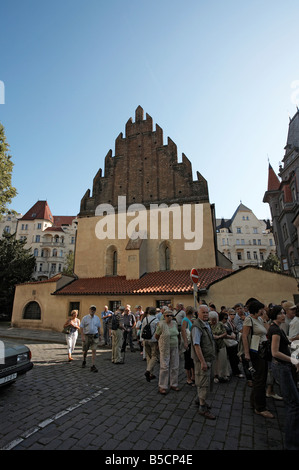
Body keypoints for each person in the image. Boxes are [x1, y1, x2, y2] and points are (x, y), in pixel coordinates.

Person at [268, 305, 299, 450]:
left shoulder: (278, 328)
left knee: (292, 402)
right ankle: (291, 443)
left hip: (284, 367)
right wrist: (293, 360)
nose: (283, 315)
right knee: (293, 404)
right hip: (282, 368)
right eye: (281, 313)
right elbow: (275, 352)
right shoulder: (275, 330)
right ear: (276, 315)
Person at [240, 300, 274, 418]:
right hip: (256, 351)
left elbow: (267, 330)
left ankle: (254, 402)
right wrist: (246, 353)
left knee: (260, 378)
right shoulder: (249, 319)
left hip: (263, 350)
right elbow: (244, 336)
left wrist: (264, 319)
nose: (263, 311)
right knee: (260, 379)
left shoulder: (259, 319)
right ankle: (260, 407)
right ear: (256, 309)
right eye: (261, 309)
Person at [191, 304, 216, 420]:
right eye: (203, 313)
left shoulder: (206, 324)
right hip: (203, 359)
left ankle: (200, 400)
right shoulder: (197, 326)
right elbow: (197, 345)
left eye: (207, 312)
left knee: (207, 381)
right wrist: (202, 362)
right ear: (198, 314)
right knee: (203, 383)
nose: (206, 314)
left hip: (208, 358)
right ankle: (202, 407)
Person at [155, 308, 180, 394]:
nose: (170, 317)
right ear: (164, 316)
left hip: (174, 347)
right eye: (168, 315)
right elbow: (156, 336)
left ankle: (174, 384)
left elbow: (177, 334)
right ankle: (162, 386)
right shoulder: (161, 324)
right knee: (164, 366)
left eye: (171, 315)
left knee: (175, 365)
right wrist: (160, 343)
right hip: (165, 347)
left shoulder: (175, 323)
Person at [220, 311, 244, 378]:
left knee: (234, 358)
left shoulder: (227, 323)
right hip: (228, 343)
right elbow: (223, 334)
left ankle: (234, 371)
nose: (226, 319)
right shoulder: (221, 324)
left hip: (232, 342)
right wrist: (231, 336)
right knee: (232, 358)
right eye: (225, 318)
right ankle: (234, 371)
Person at [209, 311, 230, 383]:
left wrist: (218, 336)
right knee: (215, 361)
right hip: (213, 345)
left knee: (223, 360)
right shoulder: (208, 325)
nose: (214, 321)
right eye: (212, 319)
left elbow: (225, 333)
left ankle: (224, 374)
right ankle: (216, 375)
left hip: (221, 344)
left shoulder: (220, 324)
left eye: (215, 319)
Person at [80, 305, 101, 372]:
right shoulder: (85, 318)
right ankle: (84, 360)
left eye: (94, 310)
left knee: (94, 350)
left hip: (94, 336)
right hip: (87, 336)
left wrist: (99, 335)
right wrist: (82, 336)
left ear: (95, 311)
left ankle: (93, 365)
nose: (92, 311)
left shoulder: (97, 318)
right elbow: (81, 327)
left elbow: (98, 327)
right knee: (85, 350)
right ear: (89, 310)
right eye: (91, 309)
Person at [141, 307, 159, 382]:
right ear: (155, 312)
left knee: (149, 357)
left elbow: (142, 329)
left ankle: (151, 374)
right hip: (153, 340)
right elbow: (158, 332)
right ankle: (148, 371)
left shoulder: (145, 319)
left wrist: (141, 340)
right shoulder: (156, 320)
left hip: (145, 339)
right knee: (154, 356)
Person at [181, 306, 195, 385]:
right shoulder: (185, 320)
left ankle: (193, 376)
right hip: (188, 343)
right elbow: (183, 331)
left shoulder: (190, 320)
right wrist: (185, 342)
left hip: (191, 342)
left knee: (192, 360)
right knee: (188, 361)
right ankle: (188, 378)